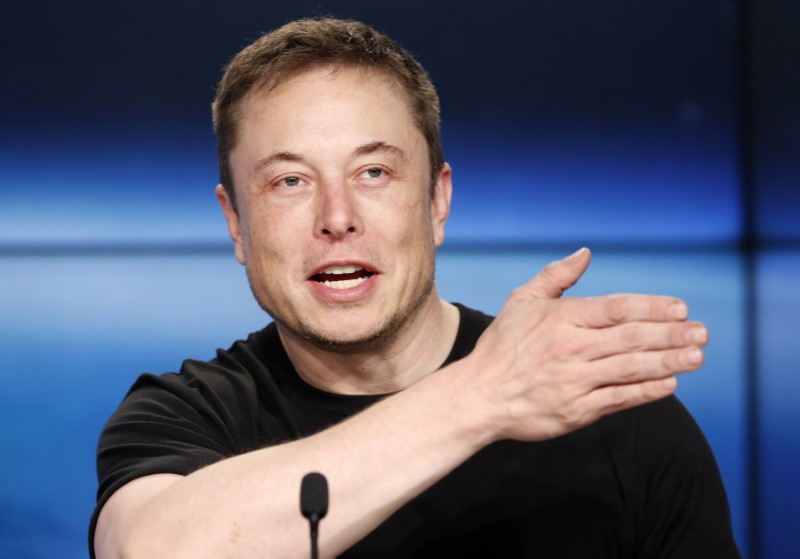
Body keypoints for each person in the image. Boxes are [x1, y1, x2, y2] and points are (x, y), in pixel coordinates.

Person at [91, 17, 741, 558]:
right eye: (290, 181)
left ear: (437, 201)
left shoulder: (613, 421)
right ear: (235, 222)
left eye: (374, 171)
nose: (337, 216)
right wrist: (484, 394)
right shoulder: (181, 418)